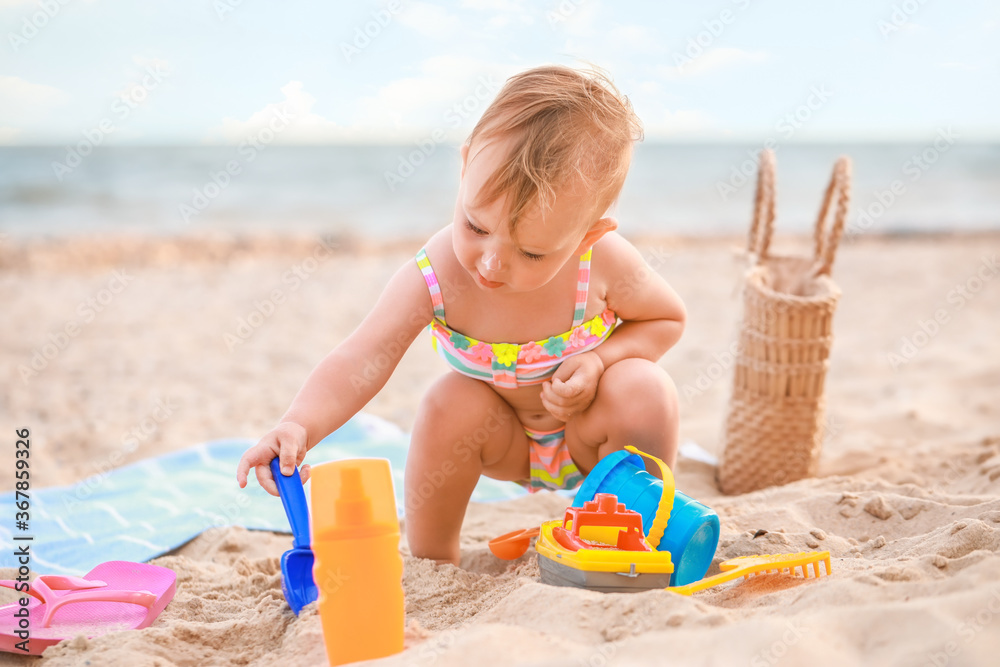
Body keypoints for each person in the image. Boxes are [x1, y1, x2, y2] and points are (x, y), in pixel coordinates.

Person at [236, 64, 686, 566]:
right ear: (466, 165)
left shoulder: (601, 264)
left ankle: (632, 543)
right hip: (503, 441)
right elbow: (363, 357)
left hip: (592, 437)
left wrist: (603, 359)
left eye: (532, 253)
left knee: (646, 388)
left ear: (587, 236)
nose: (492, 263)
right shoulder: (436, 275)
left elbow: (666, 319)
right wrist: (299, 425)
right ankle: (433, 561)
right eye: (475, 226)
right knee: (447, 402)